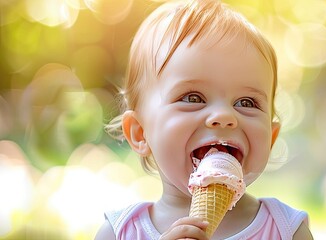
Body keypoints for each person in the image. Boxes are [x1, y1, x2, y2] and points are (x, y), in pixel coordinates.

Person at [96, 0, 313, 239]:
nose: (224, 116)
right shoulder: (119, 232)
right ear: (140, 133)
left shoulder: (287, 230)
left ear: (270, 138)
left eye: (246, 103)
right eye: (192, 97)